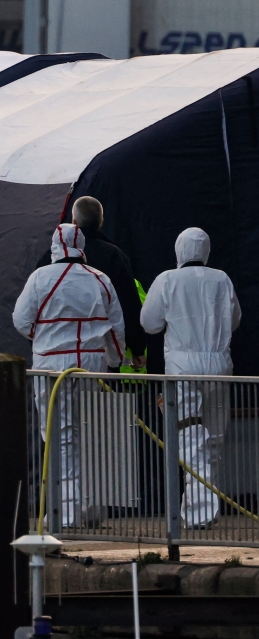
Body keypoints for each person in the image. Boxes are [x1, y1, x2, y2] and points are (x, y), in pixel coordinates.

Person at [13, 224, 125, 528]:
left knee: (59, 436)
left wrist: (44, 336)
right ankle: (89, 507)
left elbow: (21, 321)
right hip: (92, 363)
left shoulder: (40, 278)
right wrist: (115, 361)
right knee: (90, 434)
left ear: (54, 247)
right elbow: (116, 329)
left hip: (51, 364)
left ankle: (67, 509)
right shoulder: (100, 279)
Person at [140, 228, 241, 529]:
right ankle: (202, 510)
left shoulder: (167, 280)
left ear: (179, 250)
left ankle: (200, 513)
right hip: (219, 364)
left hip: (182, 368)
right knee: (214, 439)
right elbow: (234, 321)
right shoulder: (221, 279)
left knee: (190, 438)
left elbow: (149, 324)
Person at [38, 196, 146, 369]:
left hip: (52, 356)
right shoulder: (114, 256)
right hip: (99, 356)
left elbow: (29, 313)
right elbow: (128, 305)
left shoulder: (48, 259)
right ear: (101, 222)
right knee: (98, 397)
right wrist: (137, 347)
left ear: (73, 221)